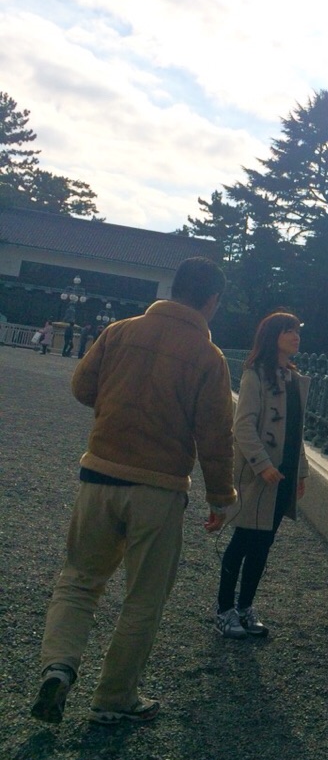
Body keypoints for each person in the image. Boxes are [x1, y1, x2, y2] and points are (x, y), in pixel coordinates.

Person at [31, 257, 236, 726]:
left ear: (173, 288)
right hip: (159, 488)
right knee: (143, 597)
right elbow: (215, 434)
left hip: (100, 475)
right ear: (212, 301)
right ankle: (114, 696)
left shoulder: (119, 331)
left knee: (79, 579)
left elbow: (82, 387)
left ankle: (59, 666)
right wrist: (220, 496)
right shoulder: (209, 357)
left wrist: (115, 404)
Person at [214, 311, 309, 639]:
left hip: (283, 475)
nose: (295, 337)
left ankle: (245, 607)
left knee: (263, 543)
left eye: (296, 331)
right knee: (242, 540)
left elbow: (296, 432)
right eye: (288, 331)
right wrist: (262, 464)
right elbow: (243, 425)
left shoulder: (293, 379)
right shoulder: (255, 375)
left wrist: (301, 473)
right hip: (259, 475)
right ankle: (224, 609)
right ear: (272, 337)